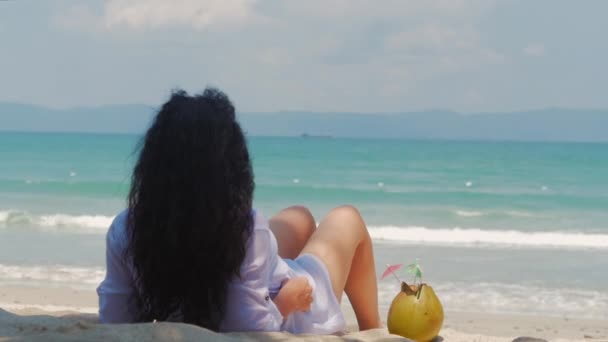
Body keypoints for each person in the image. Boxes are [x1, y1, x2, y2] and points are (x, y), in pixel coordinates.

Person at [97, 88, 381, 334]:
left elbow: (116, 321)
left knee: (300, 216)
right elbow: (249, 326)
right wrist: (287, 302)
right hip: (293, 303)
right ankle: (373, 330)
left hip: (255, 280)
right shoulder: (242, 232)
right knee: (348, 217)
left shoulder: (126, 230)